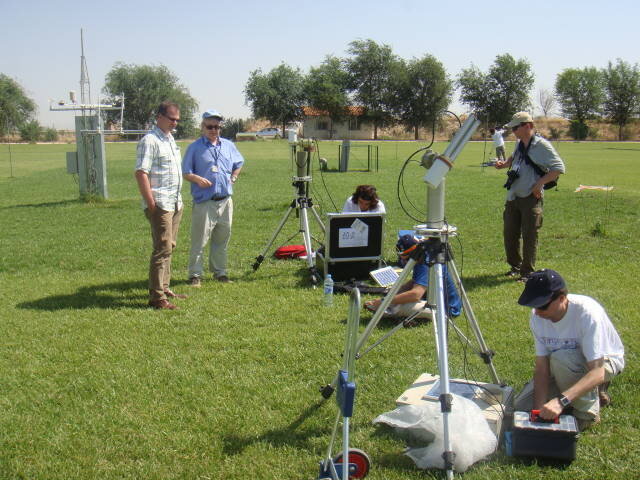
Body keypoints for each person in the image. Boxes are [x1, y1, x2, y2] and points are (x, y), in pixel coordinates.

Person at [514, 269, 625, 431]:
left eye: (542, 305)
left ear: (562, 298)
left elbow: (597, 371)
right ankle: (583, 391)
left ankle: (587, 413)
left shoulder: (587, 314)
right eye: (533, 305)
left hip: (604, 362)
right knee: (521, 406)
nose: (537, 312)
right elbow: (542, 368)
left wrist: (561, 402)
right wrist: (538, 413)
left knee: (563, 359)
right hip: (563, 364)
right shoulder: (537, 316)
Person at [495, 112, 565, 282]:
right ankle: (515, 266)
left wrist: (539, 183)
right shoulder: (519, 143)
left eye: (516, 127)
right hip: (513, 195)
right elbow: (516, 156)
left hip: (531, 197)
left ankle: (527, 273)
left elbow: (559, 168)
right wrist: (505, 164)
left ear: (528, 126)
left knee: (529, 235)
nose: (513, 131)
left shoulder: (542, 145)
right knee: (509, 234)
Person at [182, 110, 244, 287]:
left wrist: (233, 177)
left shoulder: (228, 145)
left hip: (225, 200)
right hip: (205, 202)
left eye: (217, 127)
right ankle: (195, 275)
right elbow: (186, 172)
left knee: (222, 239)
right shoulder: (194, 148)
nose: (213, 130)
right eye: (209, 126)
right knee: (199, 240)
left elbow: (239, 163)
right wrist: (197, 179)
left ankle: (220, 273)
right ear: (202, 127)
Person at [135, 101, 186, 310]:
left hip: (175, 202)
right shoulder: (150, 140)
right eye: (171, 119)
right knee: (162, 248)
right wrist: (151, 202)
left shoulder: (170, 139)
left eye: (177, 120)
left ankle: (165, 288)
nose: (175, 123)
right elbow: (141, 172)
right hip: (161, 203)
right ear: (160, 117)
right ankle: (156, 297)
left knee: (169, 246)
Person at [364, 235, 461, 320]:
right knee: (397, 300)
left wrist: (384, 302)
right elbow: (414, 282)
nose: (405, 262)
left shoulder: (423, 263)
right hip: (440, 303)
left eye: (406, 258)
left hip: (446, 310)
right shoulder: (426, 256)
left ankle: (385, 311)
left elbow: (415, 294)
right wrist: (393, 294)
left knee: (399, 305)